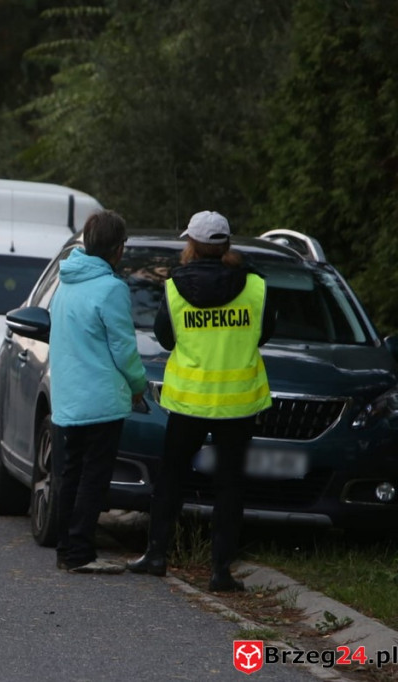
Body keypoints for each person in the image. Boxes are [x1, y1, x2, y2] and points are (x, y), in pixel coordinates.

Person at [128, 210, 274, 592]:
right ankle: (221, 572)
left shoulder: (175, 288)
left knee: (171, 478)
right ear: (227, 244)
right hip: (238, 404)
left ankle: (157, 555)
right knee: (230, 487)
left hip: (189, 403)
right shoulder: (255, 285)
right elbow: (264, 334)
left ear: (191, 244)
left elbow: (164, 338)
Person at [49, 210, 147, 574]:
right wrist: (138, 386)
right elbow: (123, 349)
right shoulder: (111, 289)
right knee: (94, 477)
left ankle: (66, 550)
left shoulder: (65, 284)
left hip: (67, 398)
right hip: (101, 401)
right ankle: (81, 553)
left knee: (69, 474)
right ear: (118, 249)